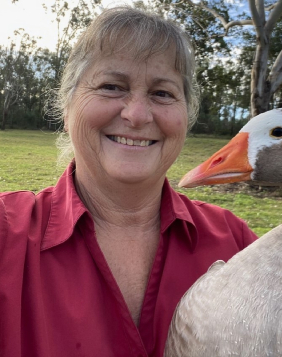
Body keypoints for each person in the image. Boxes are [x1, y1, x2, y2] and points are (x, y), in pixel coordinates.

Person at [0, 6, 258, 357]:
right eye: (111, 87)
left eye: (162, 93)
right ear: (66, 108)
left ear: (186, 117)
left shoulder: (238, 246)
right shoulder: (6, 237)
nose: (136, 115)